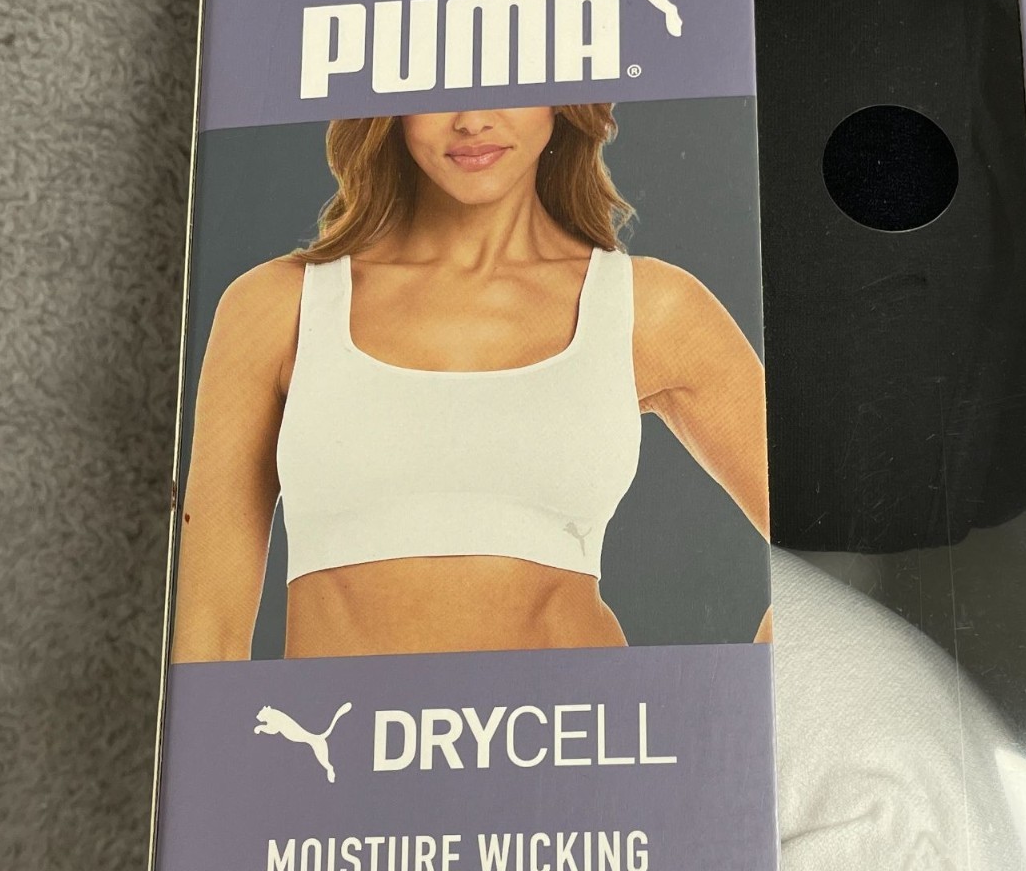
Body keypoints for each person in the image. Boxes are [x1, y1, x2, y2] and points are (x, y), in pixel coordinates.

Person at [171, 103, 768, 660]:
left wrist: (733, 705)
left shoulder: (648, 308)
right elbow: (208, 632)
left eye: (509, 85)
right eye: (442, 88)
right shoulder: (278, 307)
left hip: (574, 733)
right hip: (345, 735)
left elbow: (813, 541)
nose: (473, 120)